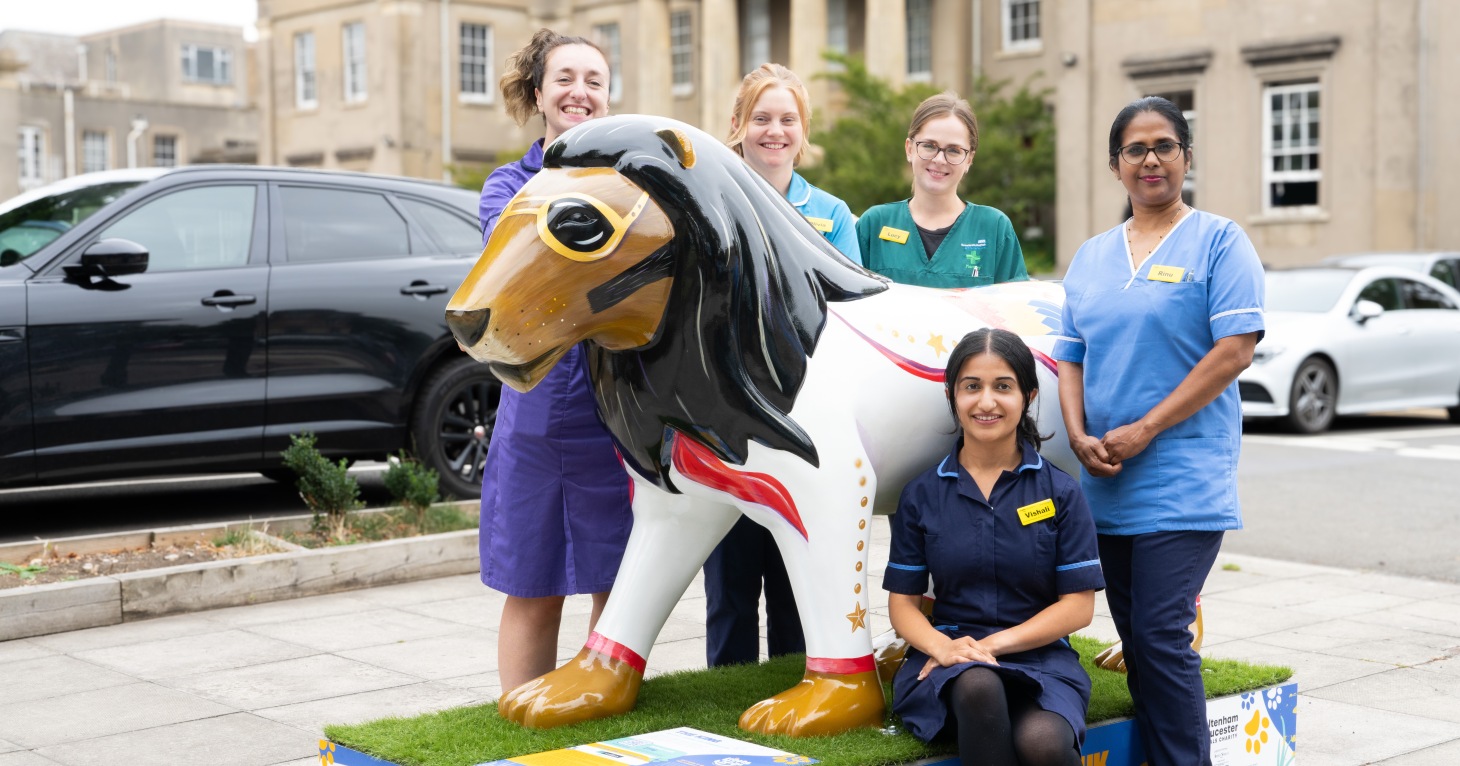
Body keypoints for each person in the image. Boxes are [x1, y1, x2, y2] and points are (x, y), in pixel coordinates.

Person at [1053, 96, 1264, 766]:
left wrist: (1144, 428)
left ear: (1186, 158)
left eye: (1164, 145)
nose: (1150, 159)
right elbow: (1069, 355)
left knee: (1163, 633)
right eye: (1135, 149)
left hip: (1182, 472)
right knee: (1138, 637)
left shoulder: (1221, 241)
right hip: (1106, 479)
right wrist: (1079, 434)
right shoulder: (1090, 256)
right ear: (1116, 166)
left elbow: (1235, 349)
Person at [475, 28, 632, 695]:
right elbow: (535, 268)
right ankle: (521, 716)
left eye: (594, 80)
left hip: (620, 416)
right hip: (537, 414)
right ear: (538, 93)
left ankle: (605, 711)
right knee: (533, 583)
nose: (580, 92)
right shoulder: (506, 187)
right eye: (565, 78)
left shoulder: (632, 183)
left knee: (618, 583)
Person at [701, 63, 861, 668]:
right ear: (738, 126)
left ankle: (799, 691)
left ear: (804, 131)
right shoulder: (709, 202)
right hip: (729, 424)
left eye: (787, 119)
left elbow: (847, 316)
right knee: (731, 586)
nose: (774, 130)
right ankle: (726, 698)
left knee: (797, 582)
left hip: (804, 425)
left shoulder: (833, 214)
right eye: (761, 118)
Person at [884, 328, 1103, 766]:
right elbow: (903, 605)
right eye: (972, 387)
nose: (986, 402)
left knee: (1043, 743)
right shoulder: (922, 494)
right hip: (951, 660)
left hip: (1040, 658)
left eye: (1003, 386)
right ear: (952, 396)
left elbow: (1078, 606)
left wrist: (995, 645)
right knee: (979, 684)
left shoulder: (1060, 492)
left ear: (1028, 395)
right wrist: (944, 649)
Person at [856, 92, 1027, 288]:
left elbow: (1015, 306)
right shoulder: (874, 224)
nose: (939, 159)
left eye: (954, 150)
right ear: (909, 149)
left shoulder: (994, 228)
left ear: (970, 159)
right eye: (929, 146)